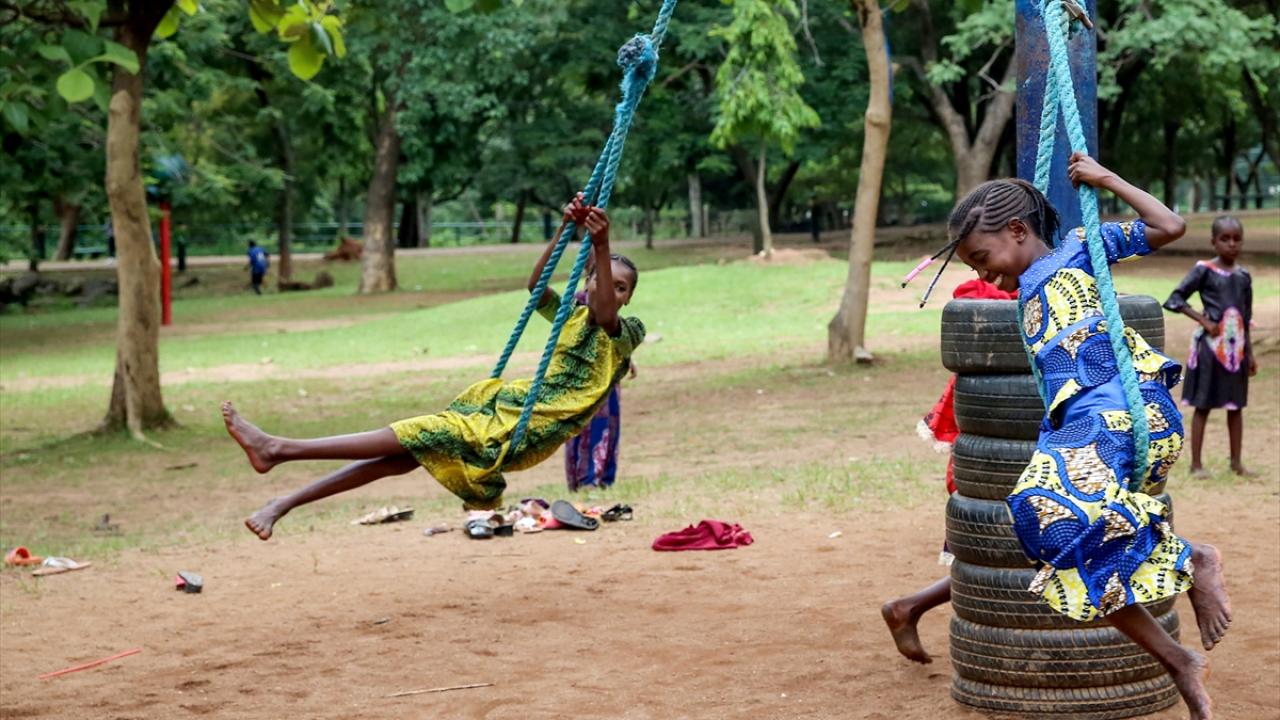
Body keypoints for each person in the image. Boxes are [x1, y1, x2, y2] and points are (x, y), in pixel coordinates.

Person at [909, 152, 1231, 720]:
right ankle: (1179, 660)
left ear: (1017, 230)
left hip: (1119, 409)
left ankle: (1194, 558)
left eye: (982, 258)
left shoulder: (1081, 249)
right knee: (1055, 542)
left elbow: (1169, 226)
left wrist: (1105, 179)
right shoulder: (1025, 286)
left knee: (1042, 504)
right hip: (1085, 423)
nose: (983, 275)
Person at [224, 194, 643, 540]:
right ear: (586, 281)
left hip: (526, 429)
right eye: (601, 278)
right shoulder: (570, 315)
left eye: (621, 287)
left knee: (417, 432)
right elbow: (536, 286)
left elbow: (607, 313)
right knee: (403, 456)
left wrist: (601, 246)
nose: (610, 288)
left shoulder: (624, 332)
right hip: (505, 410)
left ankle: (279, 449)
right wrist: (564, 229)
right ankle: (283, 501)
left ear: (627, 297)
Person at [881, 279, 1015, 664]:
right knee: (1005, 554)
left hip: (1009, 447)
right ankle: (909, 607)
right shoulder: (984, 301)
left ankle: (908, 608)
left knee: (1009, 556)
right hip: (990, 457)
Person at [1163, 216, 1256, 476]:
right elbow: (1175, 299)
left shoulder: (1243, 276)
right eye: (1225, 239)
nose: (1231, 244)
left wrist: (1249, 353)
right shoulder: (1204, 270)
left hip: (1236, 351)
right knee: (1203, 404)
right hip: (1209, 350)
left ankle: (1236, 462)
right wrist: (1204, 321)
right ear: (1213, 242)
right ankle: (1196, 464)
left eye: (1236, 239)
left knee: (1236, 406)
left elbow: (1246, 317)